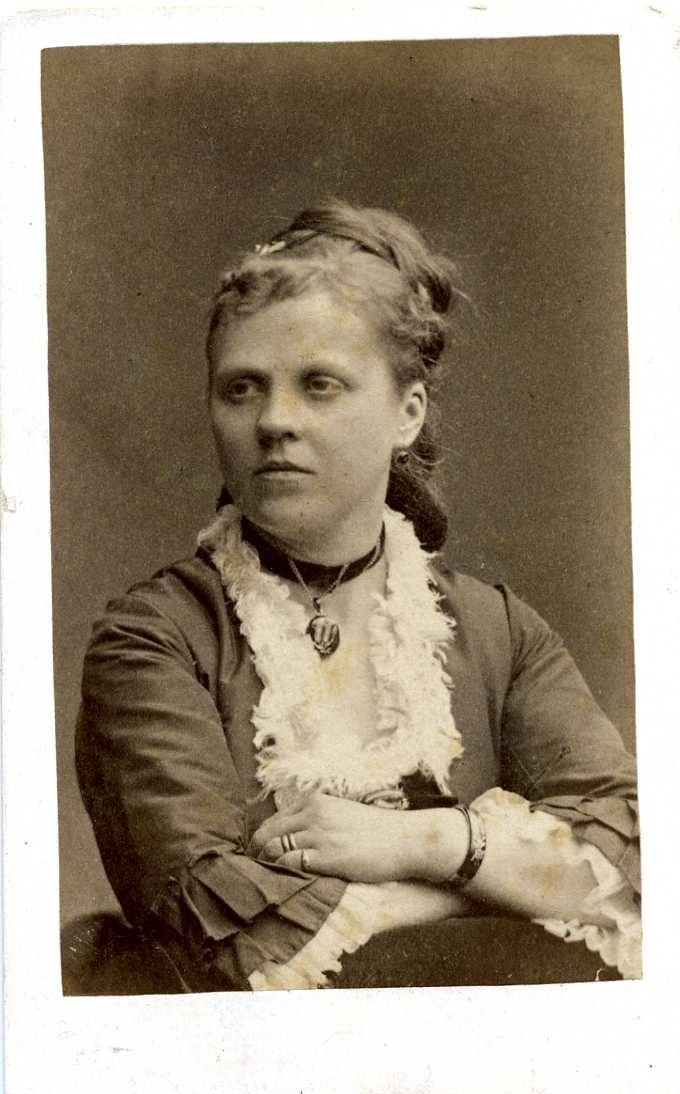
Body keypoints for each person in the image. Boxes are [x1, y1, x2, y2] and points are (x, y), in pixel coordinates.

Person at [73, 201, 640, 993]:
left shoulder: (500, 632)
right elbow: (212, 916)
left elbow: (627, 863)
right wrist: (495, 888)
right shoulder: (155, 639)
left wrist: (426, 843)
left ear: (407, 414)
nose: (275, 421)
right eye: (241, 388)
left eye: (320, 385)